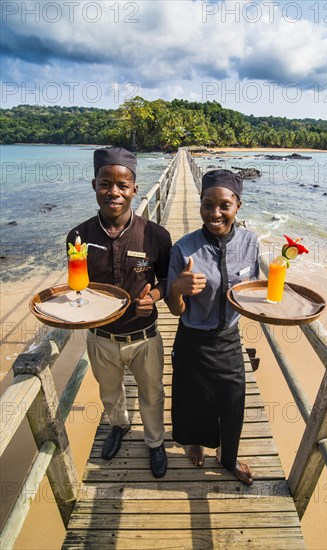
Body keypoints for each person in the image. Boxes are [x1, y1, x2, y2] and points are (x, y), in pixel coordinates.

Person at [67, 147, 172, 478]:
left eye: (122, 185)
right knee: (110, 392)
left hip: (144, 336)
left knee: (152, 393)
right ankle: (119, 426)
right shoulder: (78, 236)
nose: (113, 192)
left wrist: (153, 296)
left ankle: (155, 443)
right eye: (105, 184)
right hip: (101, 338)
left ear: (134, 189)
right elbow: (76, 282)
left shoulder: (156, 235)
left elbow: (168, 279)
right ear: (94, 185)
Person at [165, 169, 259, 485]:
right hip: (192, 338)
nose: (214, 214)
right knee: (194, 399)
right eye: (207, 205)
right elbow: (175, 309)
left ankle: (229, 457)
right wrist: (177, 288)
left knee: (233, 400)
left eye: (224, 206)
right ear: (200, 205)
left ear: (238, 206)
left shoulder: (250, 243)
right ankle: (195, 442)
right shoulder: (184, 248)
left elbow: (253, 291)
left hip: (230, 338)